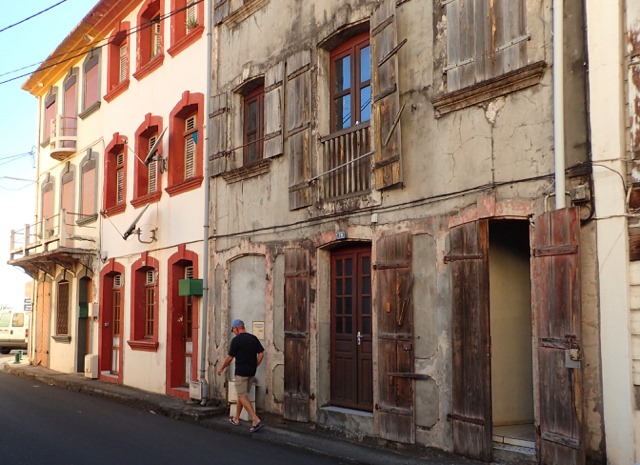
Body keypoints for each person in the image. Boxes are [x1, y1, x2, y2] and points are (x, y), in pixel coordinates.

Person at [216, 319, 265, 432]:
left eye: (233, 330)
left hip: (241, 373)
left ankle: (255, 419)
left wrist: (221, 368)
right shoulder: (253, 338)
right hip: (251, 373)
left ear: (237, 328)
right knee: (241, 396)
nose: (233, 332)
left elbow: (229, 358)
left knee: (242, 396)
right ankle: (236, 418)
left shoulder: (236, 340)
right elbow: (261, 353)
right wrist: (255, 365)